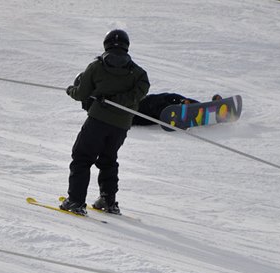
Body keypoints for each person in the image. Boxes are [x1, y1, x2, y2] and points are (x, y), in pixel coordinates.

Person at [61, 29, 150, 217]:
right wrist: (120, 100)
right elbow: (142, 90)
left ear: (106, 44)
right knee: (108, 160)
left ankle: (76, 201)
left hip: (98, 120)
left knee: (82, 157)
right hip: (121, 125)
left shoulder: (96, 67)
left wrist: (71, 90)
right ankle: (108, 201)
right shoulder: (138, 73)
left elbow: (82, 94)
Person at [132, 92, 223, 126]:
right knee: (154, 102)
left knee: (171, 97)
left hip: (140, 103)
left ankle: (205, 107)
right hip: (138, 110)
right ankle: (178, 111)